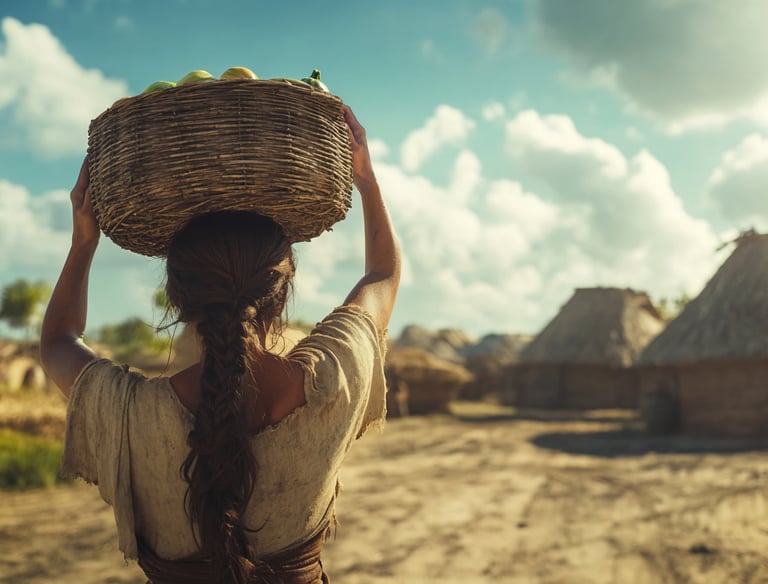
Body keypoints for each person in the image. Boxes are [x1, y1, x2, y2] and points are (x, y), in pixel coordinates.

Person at [40, 106, 401, 584]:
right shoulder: (331, 384)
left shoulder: (130, 415)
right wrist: (368, 184)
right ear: (282, 293)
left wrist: (83, 243)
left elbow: (57, 340)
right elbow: (382, 275)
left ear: (176, 299)